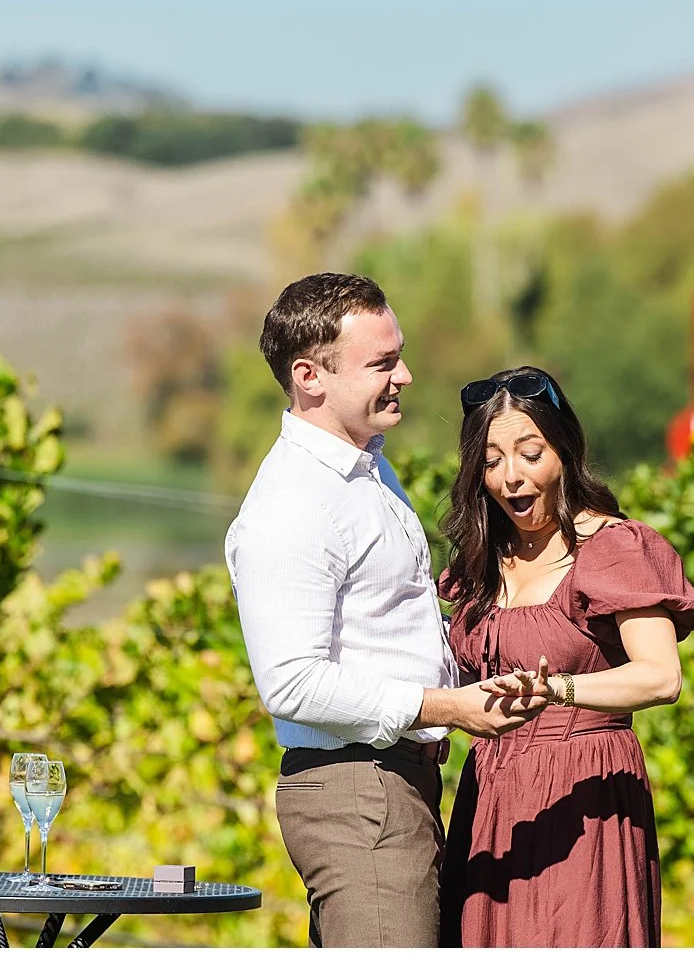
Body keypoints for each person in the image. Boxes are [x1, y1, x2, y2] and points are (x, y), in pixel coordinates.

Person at [225, 274, 545, 948]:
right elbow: (291, 681)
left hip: (392, 785)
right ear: (310, 375)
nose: (406, 373)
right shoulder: (294, 504)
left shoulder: (365, 464)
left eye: (397, 353)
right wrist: (448, 707)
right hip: (359, 794)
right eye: (382, 362)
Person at [436, 365, 694, 947]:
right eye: (492, 460)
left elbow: (661, 677)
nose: (511, 477)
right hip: (491, 796)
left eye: (531, 454)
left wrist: (560, 691)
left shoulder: (611, 548)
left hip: (586, 795)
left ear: (564, 450)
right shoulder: (479, 562)